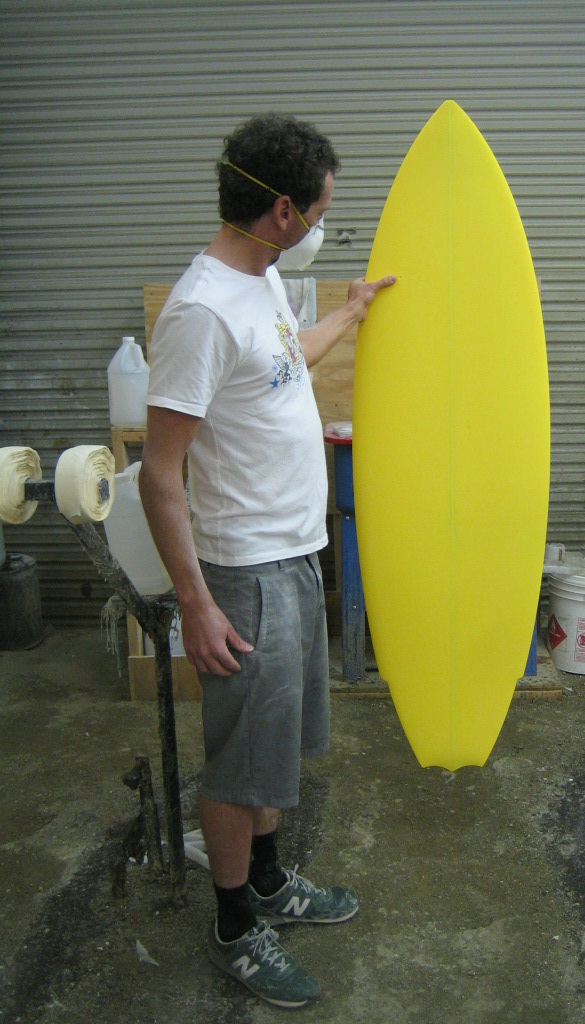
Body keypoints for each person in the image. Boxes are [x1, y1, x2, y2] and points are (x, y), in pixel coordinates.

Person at [139, 113, 395, 1009]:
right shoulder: (201, 312)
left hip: (294, 553)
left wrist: (350, 313)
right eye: (322, 210)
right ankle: (233, 925)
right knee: (240, 762)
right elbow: (159, 474)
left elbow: (286, 364)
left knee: (276, 748)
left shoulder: (265, 279)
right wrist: (197, 603)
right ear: (283, 210)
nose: (326, 223)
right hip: (243, 573)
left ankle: (271, 879)